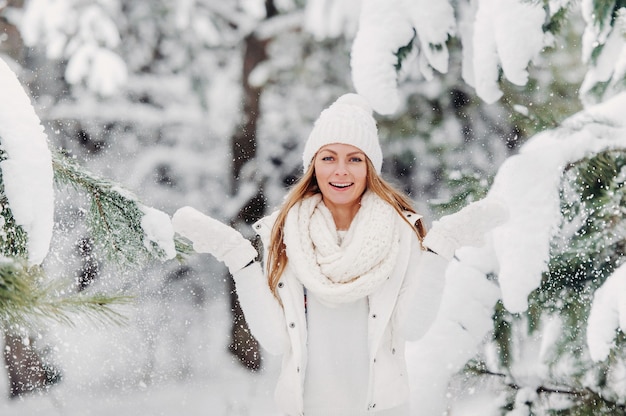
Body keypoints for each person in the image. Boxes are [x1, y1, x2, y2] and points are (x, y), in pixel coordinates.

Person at [172, 93, 507, 416]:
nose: (341, 171)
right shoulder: (285, 234)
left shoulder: (401, 232)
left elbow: (413, 326)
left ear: (370, 168)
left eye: (354, 159)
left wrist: (441, 248)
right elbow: (276, 340)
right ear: (313, 164)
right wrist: (238, 259)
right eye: (329, 157)